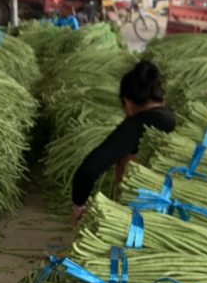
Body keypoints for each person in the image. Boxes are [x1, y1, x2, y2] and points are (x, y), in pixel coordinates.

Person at [71, 61, 175, 226]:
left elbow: (88, 171)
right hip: (185, 201)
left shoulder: (137, 124)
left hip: (159, 210)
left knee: (125, 159)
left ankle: (131, 220)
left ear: (127, 102)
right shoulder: (173, 118)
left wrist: (79, 205)